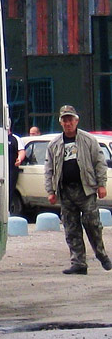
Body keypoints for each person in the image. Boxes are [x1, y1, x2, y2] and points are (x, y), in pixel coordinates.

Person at [43, 105, 111, 274]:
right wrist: (50, 191)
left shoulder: (89, 140)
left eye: (70, 119)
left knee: (93, 224)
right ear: (61, 122)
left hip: (86, 190)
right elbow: (49, 168)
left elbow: (99, 163)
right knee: (71, 227)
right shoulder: (54, 144)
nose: (68, 123)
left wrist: (101, 184)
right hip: (66, 191)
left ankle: (101, 255)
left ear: (76, 120)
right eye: (65, 120)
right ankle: (78, 263)